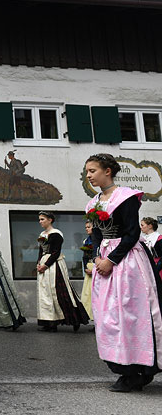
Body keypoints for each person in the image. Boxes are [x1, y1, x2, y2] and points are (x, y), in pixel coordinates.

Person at [86, 153, 162, 392]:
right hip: (106, 261)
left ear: (108, 171)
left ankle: (140, 369)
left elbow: (131, 234)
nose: (88, 175)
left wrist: (111, 259)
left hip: (127, 262)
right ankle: (124, 368)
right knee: (109, 316)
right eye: (87, 171)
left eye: (92, 170)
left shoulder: (126, 197)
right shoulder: (94, 202)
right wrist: (97, 256)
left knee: (131, 314)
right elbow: (96, 234)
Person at [36, 211, 89, 332]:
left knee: (60, 291)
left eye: (42, 219)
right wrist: (38, 263)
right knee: (45, 293)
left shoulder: (56, 234)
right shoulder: (42, 234)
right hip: (44, 263)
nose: (40, 222)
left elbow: (55, 252)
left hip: (54, 265)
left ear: (50, 220)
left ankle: (75, 319)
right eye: (39, 219)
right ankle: (49, 322)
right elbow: (40, 250)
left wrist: (45, 265)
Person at [79, 221, 94, 324]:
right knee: (87, 295)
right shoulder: (86, 241)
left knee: (95, 294)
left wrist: (94, 269)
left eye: (89, 227)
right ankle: (90, 317)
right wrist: (85, 268)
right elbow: (84, 257)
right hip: (88, 267)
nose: (87, 229)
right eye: (86, 227)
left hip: (96, 267)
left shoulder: (100, 240)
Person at [141, 217, 162, 281]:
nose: (141, 227)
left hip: (158, 267)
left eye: (142, 225)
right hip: (145, 266)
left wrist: (157, 267)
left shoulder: (159, 238)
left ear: (150, 226)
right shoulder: (142, 239)